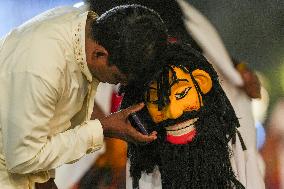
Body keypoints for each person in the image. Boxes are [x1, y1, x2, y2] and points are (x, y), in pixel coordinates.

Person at [0, 4, 168, 189]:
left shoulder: (84, 31)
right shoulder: (42, 70)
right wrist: (103, 128)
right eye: (117, 78)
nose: (115, 85)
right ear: (99, 54)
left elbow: (42, 133)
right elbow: (24, 158)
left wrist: (46, 180)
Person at [122, 43, 245, 188]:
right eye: (158, 101)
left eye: (181, 94)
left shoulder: (229, 143)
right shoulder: (145, 162)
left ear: (202, 82)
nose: (173, 112)